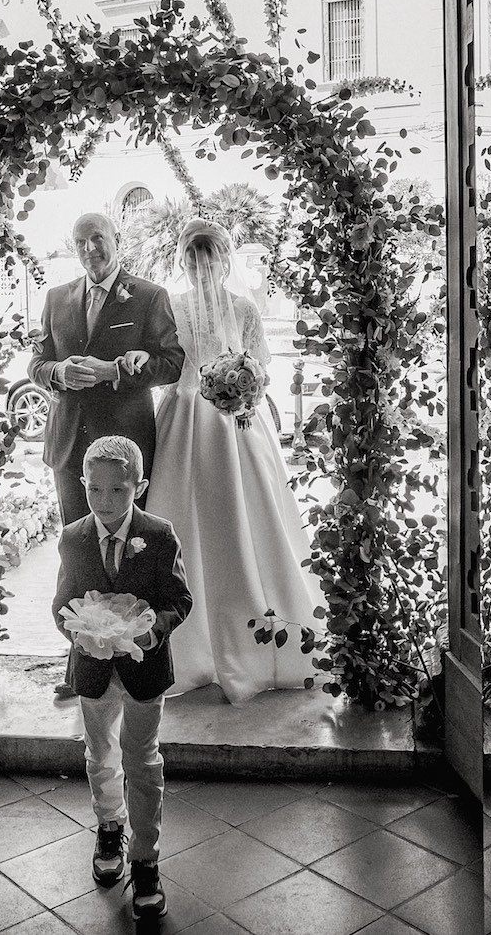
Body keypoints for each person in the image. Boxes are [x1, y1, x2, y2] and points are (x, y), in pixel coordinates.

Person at [146, 219, 325, 702]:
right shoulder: (172, 306)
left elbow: (262, 363)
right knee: (181, 520)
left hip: (237, 424)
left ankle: (257, 625)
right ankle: (183, 637)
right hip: (185, 418)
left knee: (245, 519)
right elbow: (168, 364)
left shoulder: (244, 307)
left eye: (208, 259)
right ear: (183, 261)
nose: (200, 268)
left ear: (224, 260)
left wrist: (242, 381)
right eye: (192, 260)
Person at [52, 436, 194, 923]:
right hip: (92, 669)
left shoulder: (158, 535)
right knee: (99, 753)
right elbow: (61, 602)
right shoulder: (72, 537)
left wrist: (152, 629)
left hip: (144, 668)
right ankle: (109, 826)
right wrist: (78, 630)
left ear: (140, 485)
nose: (106, 501)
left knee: (142, 757)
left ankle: (146, 857)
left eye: (118, 490)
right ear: (83, 485)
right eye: (95, 489)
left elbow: (180, 600)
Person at [30, 211, 186, 528]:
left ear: (117, 240)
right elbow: (36, 364)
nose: (89, 248)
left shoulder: (150, 296)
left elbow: (171, 364)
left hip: (124, 443)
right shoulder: (55, 297)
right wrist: (58, 372)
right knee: (76, 542)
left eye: (97, 237)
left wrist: (113, 372)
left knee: (129, 545)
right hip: (69, 445)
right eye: (80, 242)